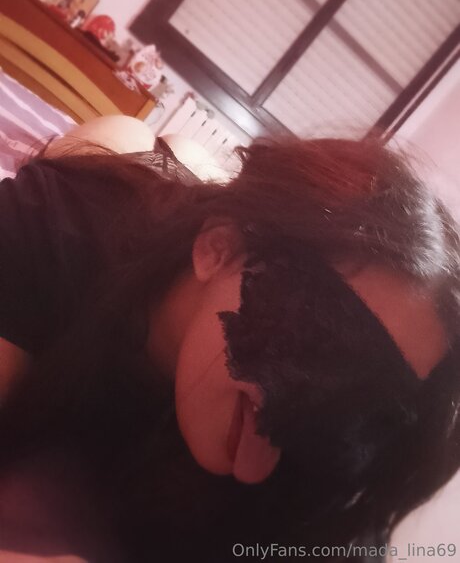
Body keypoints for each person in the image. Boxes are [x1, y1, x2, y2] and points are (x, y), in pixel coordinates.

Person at [0, 124, 459, 563]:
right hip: (148, 224)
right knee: (121, 134)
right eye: (327, 340)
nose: (317, 413)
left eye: (374, 406)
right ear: (218, 248)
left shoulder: (323, 468)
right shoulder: (56, 225)